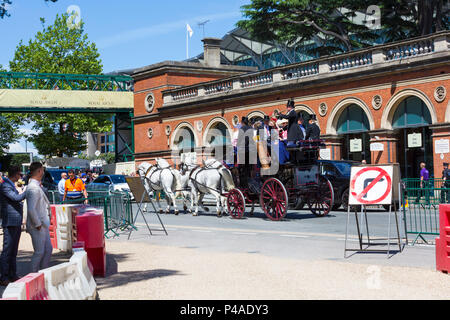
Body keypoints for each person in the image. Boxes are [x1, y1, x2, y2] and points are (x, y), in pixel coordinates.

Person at [0, 166, 26, 286]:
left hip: (15, 221)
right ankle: (3, 276)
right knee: (7, 251)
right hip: (10, 222)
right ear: (15, 175)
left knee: (13, 250)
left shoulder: (9, 184)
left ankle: (12, 274)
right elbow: (16, 198)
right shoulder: (5, 185)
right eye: (19, 174)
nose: (20, 177)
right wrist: (27, 191)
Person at [26, 162, 52, 273]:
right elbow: (31, 209)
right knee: (39, 252)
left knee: (47, 250)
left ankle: (42, 273)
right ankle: (34, 275)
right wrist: (38, 225)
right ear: (39, 171)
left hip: (41, 224)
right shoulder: (33, 188)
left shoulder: (35, 186)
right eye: (42, 170)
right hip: (37, 225)